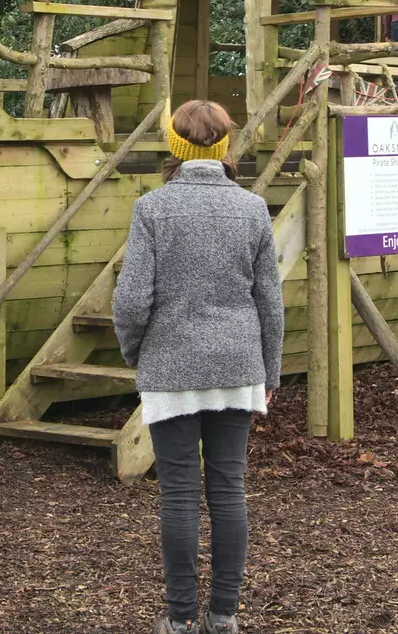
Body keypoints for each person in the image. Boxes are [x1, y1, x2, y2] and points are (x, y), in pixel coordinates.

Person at [114, 99, 285, 634]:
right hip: (239, 363)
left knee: (181, 493)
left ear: (175, 147)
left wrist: (136, 352)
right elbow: (270, 303)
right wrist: (270, 372)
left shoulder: (153, 209)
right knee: (229, 490)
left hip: (170, 363)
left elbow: (131, 301)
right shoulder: (253, 208)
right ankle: (225, 617)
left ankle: (179, 619)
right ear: (225, 145)